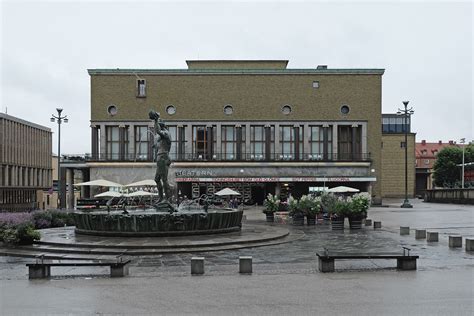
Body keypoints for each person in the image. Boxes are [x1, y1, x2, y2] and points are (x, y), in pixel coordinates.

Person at [149, 110, 172, 202]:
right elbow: (159, 144)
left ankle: (168, 199)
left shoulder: (166, 133)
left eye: (159, 124)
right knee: (157, 179)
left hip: (163, 157)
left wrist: (155, 120)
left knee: (164, 179)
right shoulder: (162, 137)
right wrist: (155, 146)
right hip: (160, 158)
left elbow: (158, 131)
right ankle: (161, 198)